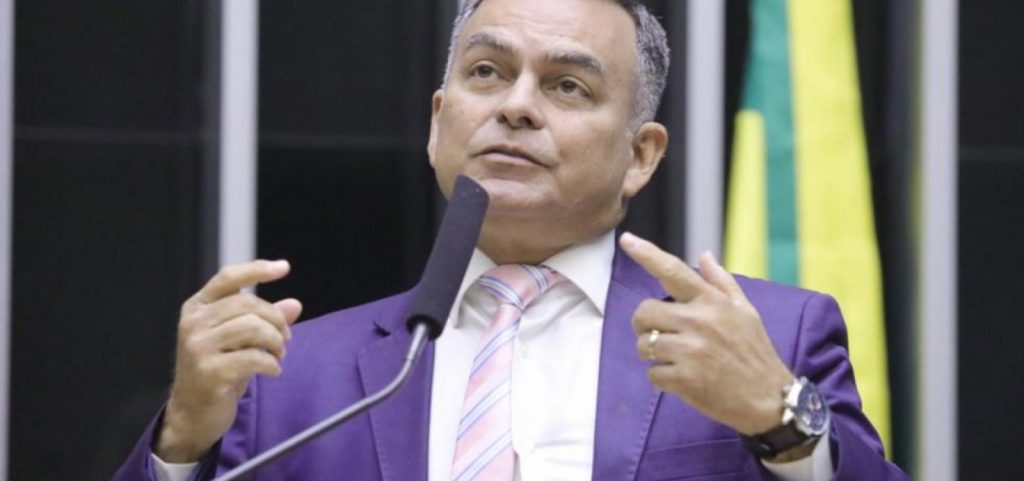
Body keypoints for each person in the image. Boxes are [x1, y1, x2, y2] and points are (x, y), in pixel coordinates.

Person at [113, 0, 909, 479]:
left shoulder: (768, 337)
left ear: (641, 155)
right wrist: (181, 442)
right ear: (438, 124)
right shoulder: (292, 379)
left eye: (568, 85)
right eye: (487, 72)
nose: (516, 106)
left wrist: (779, 419)